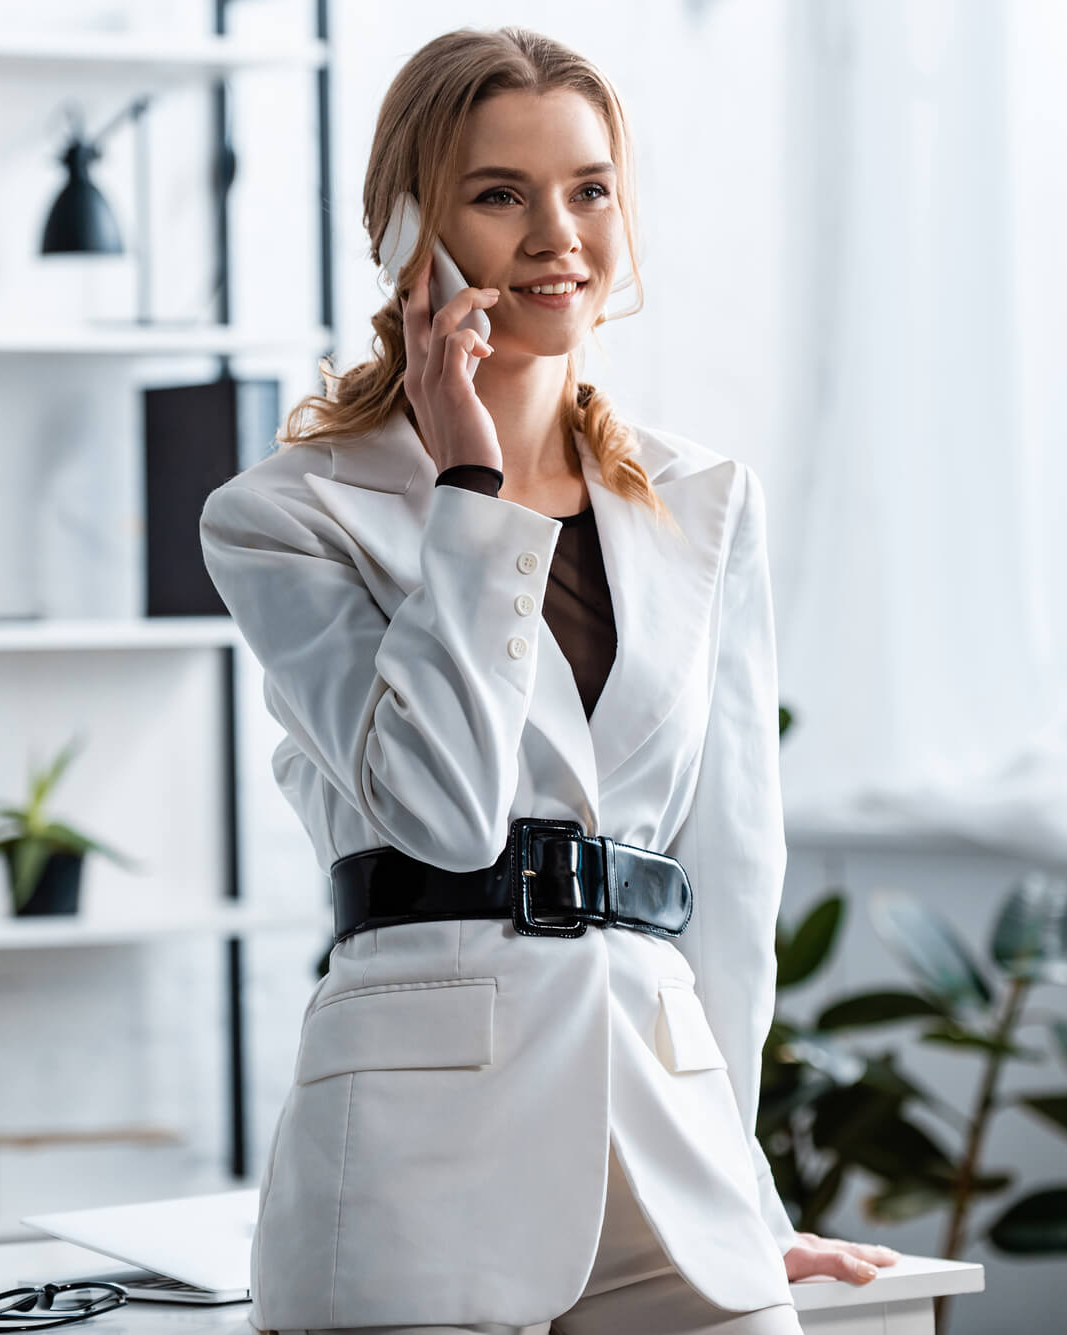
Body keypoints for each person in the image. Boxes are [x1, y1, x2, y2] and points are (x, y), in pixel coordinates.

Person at [199, 25, 898, 1335]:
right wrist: (469, 488)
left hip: (666, 1150)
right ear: (410, 224)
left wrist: (738, 1187)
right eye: (498, 194)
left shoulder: (703, 501)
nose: (557, 236)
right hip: (419, 1159)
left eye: (589, 189)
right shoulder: (286, 517)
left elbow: (732, 875)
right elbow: (445, 811)